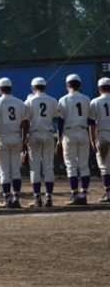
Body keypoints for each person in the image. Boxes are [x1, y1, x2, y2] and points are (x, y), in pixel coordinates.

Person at [0, 77, 29, 209]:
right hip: (15, 136)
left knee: (4, 171)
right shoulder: (20, 103)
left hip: (1, 137)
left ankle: (7, 199)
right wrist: (24, 139)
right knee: (15, 170)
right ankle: (16, 198)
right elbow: (26, 123)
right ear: (11, 88)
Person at [57, 74, 92, 205]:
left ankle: (75, 195)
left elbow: (60, 121)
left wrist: (59, 137)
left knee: (71, 166)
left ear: (68, 85)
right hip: (83, 131)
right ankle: (84, 195)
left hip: (69, 133)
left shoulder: (63, 100)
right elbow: (90, 119)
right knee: (84, 165)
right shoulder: (87, 99)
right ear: (80, 85)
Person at [24, 77, 58, 207]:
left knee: (35, 169)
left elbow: (26, 122)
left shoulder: (29, 101)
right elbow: (55, 115)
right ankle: (48, 197)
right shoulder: (53, 100)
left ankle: (37, 198)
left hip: (34, 134)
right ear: (45, 87)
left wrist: (23, 138)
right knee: (48, 168)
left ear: (33, 88)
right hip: (48, 134)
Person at [90, 78, 110, 202]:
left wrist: (92, 139)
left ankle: (109, 192)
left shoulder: (95, 102)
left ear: (99, 88)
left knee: (104, 166)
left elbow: (92, 123)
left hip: (102, 135)